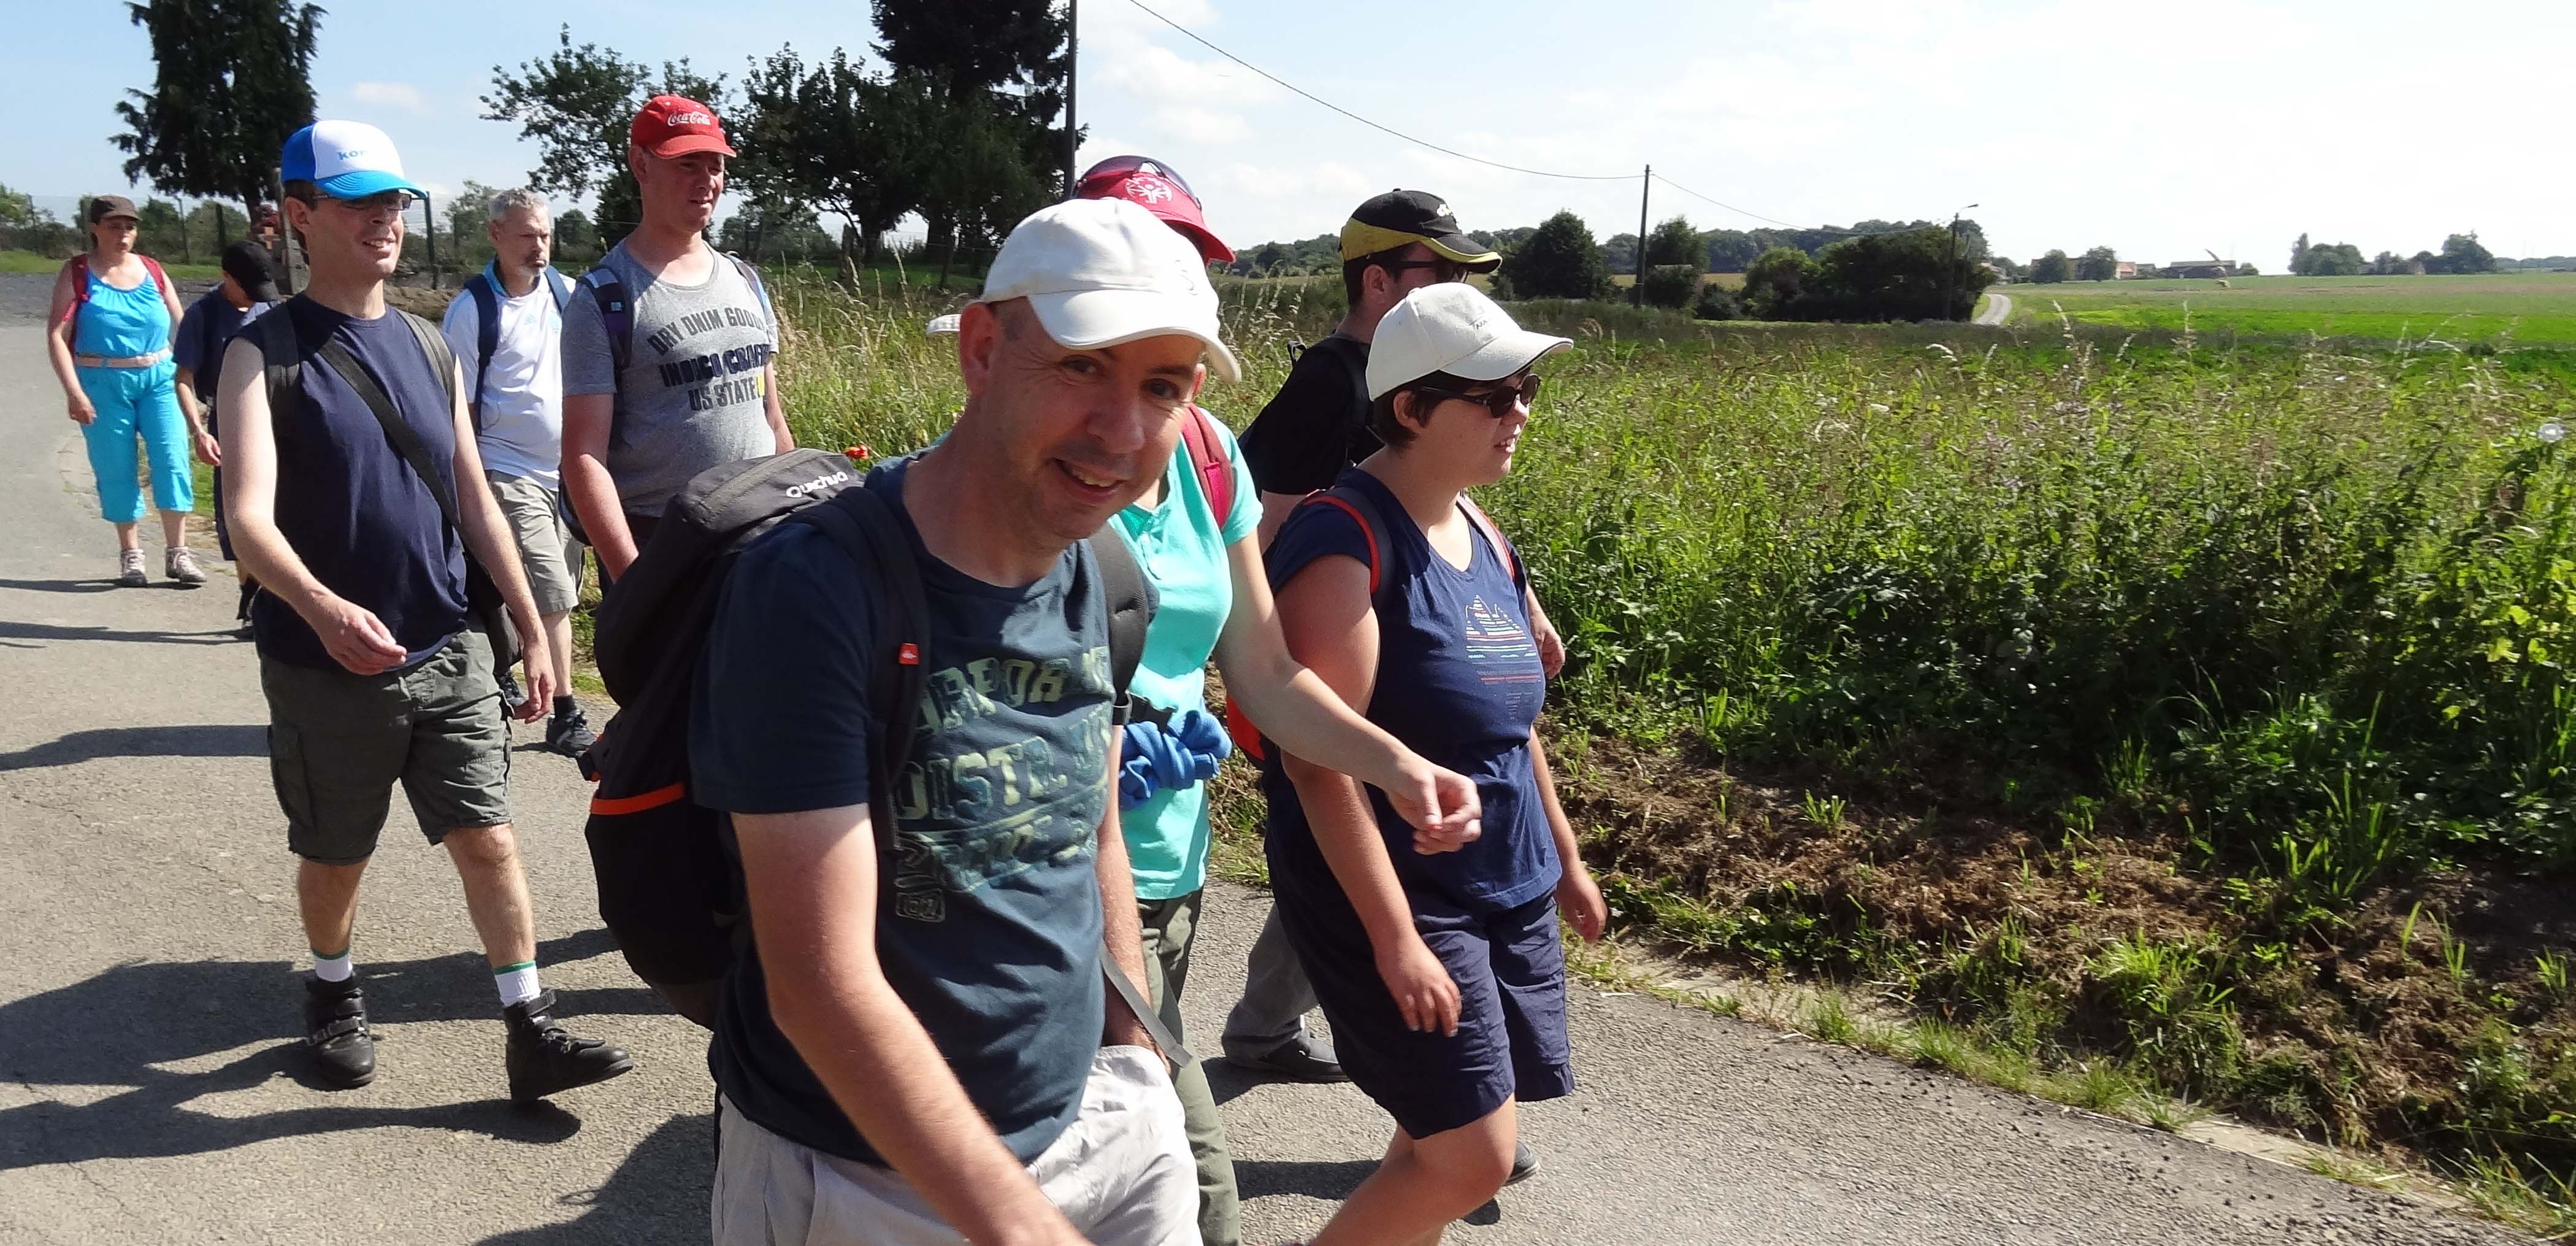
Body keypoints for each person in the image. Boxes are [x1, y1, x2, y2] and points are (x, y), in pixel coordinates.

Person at [691, 197, 1479, 1246]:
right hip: (861, 1169)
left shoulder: (1099, 572)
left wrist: (1136, 1061)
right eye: (1082, 367)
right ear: (982, 347)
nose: (1122, 430)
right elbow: (817, 984)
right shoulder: (819, 587)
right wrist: (1023, 1225)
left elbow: (1094, 823)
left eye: (1162, 386)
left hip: (1097, 1118)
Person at [1067, 155, 1481, 1246]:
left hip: (1174, 861)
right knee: (1192, 1199)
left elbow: (1263, 668)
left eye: (1187, 261)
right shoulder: (1034, 461)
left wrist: (1395, 763)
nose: (1164, 283)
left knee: (1096, 1178)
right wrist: (1084, 758)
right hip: (1053, 889)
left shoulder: (1208, 455)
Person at [214, 120, 634, 1101]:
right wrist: (323, 608)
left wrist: (534, 624)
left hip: (446, 642)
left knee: (489, 834)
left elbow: (475, 496)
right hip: (326, 663)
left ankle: (530, 1026)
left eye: (395, 201)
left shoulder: (428, 342)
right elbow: (245, 518)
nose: (386, 219)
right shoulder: (261, 353)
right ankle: (332, 988)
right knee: (337, 851)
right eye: (359, 202)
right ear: (300, 215)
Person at [1260, 282, 1608, 1245]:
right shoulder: (1345, 537)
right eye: (1494, 396)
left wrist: (1567, 860)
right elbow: (1315, 759)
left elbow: (1512, 721)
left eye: (1526, 389)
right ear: (1411, 407)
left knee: (1434, 1143)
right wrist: (1394, 938)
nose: (1520, 412)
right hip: (1403, 894)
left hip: (1505, 879)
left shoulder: (1483, 529)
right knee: (1474, 1156)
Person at [1223, 192, 1569, 1121]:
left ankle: (1321, 1044)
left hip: (1395, 631)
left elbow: (1438, 502)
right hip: (1328, 645)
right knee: (1344, 833)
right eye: (1438, 269)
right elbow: (1255, 523)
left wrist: (1508, 597)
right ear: (1376, 277)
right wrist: (1328, 594)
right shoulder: (1330, 383)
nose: (1456, 286)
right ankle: (1400, 1082)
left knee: (1380, 831)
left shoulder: (1432, 421)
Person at [561, 94, 790, 582]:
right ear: (641, 165)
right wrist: (635, 585)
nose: (706, 180)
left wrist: (797, 519)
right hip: (662, 544)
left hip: (759, 534)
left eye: (715, 166)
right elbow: (583, 457)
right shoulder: (604, 297)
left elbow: (771, 416)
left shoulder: (745, 280)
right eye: (688, 164)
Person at [440, 187, 595, 756]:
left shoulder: (567, 295)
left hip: (566, 472)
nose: (539, 247)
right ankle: (567, 714)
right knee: (552, 592)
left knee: (545, 586)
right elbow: (459, 409)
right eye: (527, 235)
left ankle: (501, 668)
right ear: (496, 235)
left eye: (545, 235)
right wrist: (470, 484)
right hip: (505, 469)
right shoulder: (471, 311)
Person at [44, 194, 205, 587]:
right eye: (114, 226)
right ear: (94, 229)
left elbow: (183, 325)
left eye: (129, 227)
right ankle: (131, 555)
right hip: (102, 381)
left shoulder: (152, 269)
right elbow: (57, 335)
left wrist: (193, 379)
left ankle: (178, 553)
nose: (123, 234)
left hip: (159, 378)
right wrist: (74, 392)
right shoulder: (78, 272)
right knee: (115, 466)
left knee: (172, 460)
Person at [174, 240, 282, 632]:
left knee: (286, 509)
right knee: (244, 510)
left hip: (278, 416)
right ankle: (252, 601)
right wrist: (199, 432)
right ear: (226, 277)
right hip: (231, 423)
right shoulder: (202, 316)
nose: (256, 298)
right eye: (247, 288)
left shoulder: (269, 308)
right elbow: (183, 379)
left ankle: (285, 602)